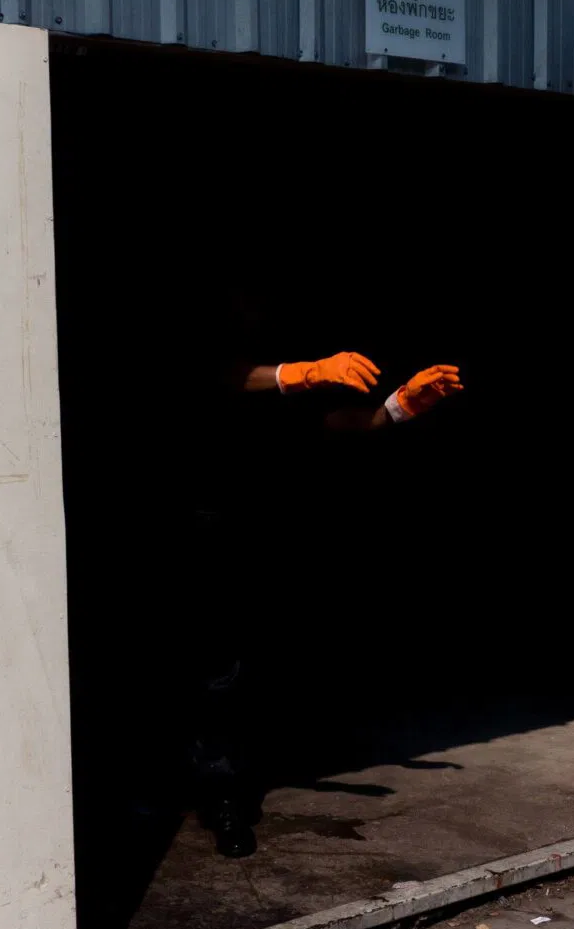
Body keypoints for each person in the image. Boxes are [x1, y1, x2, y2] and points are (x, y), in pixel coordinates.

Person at [186, 345, 464, 858]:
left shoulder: (288, 367)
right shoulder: (221, 354)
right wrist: (301, 374)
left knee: (267, 666)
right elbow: (217, 374)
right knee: (219, 671)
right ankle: (222, 797)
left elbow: (335, 423)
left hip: (279, 528)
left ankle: (248, 775)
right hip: (209, 528)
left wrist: (400, 405)